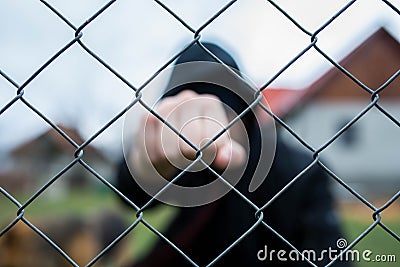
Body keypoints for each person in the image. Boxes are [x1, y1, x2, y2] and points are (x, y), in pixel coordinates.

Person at [116, 42, 350, 266]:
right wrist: (148, 164)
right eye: (190, 121)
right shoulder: (193, 159)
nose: (206, 135)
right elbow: (132, 193)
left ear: (244, 112)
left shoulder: (300, 172)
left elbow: (331, 256)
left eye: (220, 113)